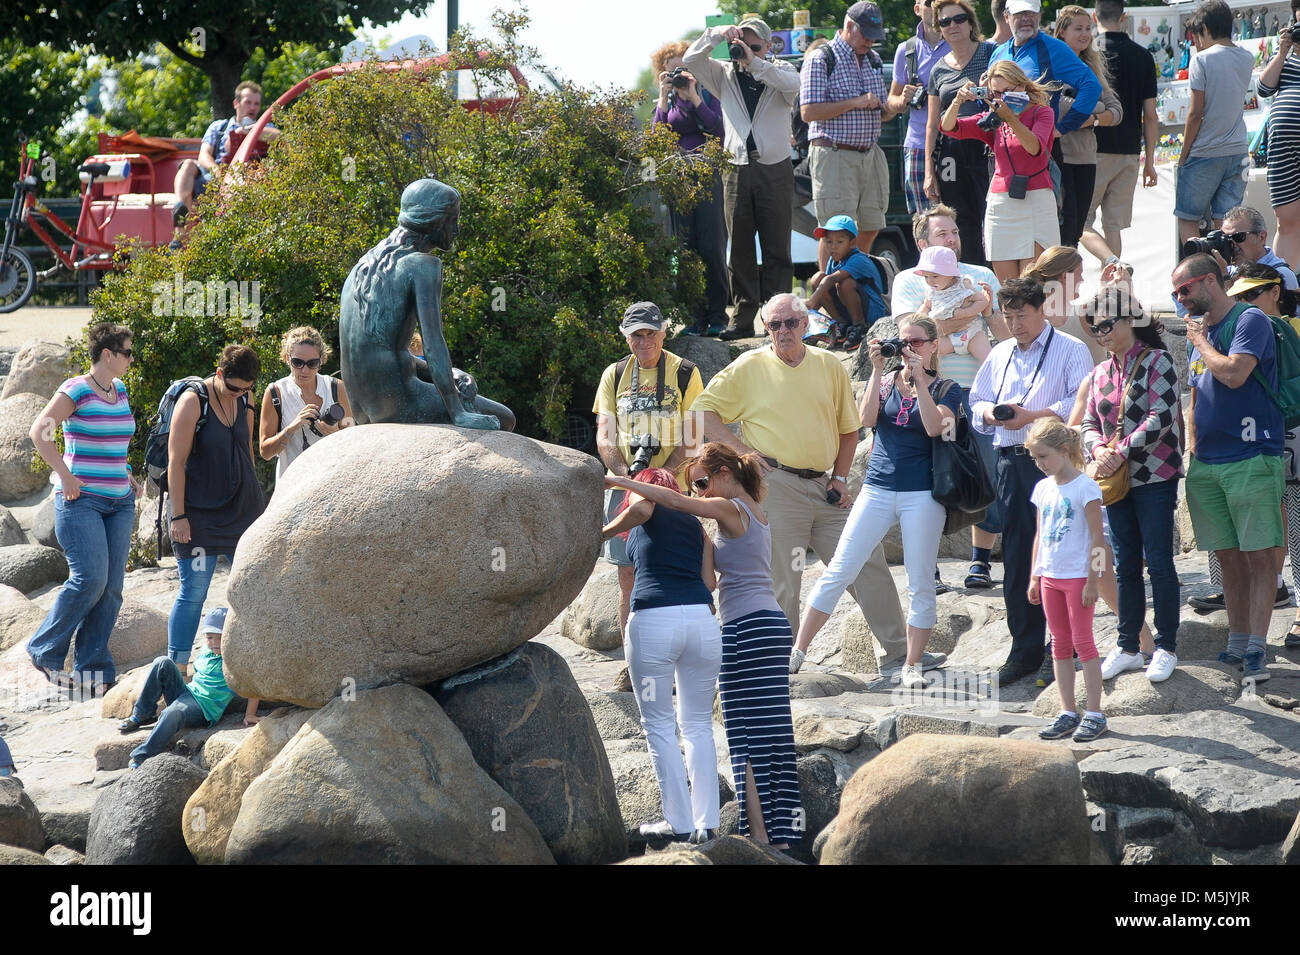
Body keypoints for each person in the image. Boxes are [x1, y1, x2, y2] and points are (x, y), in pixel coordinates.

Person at [691, 293, 936, 676]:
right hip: (776, 484)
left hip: (824, 486)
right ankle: (778, 667)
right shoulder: (749, 365)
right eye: (774, 325)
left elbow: (849, 429)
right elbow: (702, 410)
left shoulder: (827, 364)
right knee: (784, 577)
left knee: (867, 562)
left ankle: (901, 655)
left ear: (807, 324)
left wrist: (839, 478)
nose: (783, 331)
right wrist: (743, 453)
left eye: (790, 322)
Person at [605, 444, 801, 849]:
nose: (697, 493)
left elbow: (670, 501)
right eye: (694, 486)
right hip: (768, 625)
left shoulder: (732, 509)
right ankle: (775, 834)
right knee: (773, 733)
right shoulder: (752, 514)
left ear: (726, 473)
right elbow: (710, 582)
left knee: (744, 732)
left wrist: (623, 481)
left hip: (745, 628)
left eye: (701, 483)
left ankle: (756, 835)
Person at [793, 316, 961, 688]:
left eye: (917, 342)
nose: (909, 349)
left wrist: (919, 379)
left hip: (922, 494)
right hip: (877, 489)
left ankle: (913, 665)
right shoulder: (885, 381)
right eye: (903, 342)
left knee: (920, 581)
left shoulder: (948, 389)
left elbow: (935, 428)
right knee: (839, 568)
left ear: (934, 345)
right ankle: (798, 651)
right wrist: (876, 370)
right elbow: (865, 419)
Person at [969, 278, 1092, 683]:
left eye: (1022, 315)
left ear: (1042, 310)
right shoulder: (1000, 352)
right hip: (1009, 461)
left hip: (1057, 462)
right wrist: (992, 414)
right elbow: (976, 401)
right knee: (1021, 554)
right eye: (1008, 316)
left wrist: (1033, 415)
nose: (1016, 324)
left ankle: (1070, 644)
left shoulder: (1071, 349)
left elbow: (1082, 400)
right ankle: (1023, 649)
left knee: (1064, 551)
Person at [1178, 253, 1284, 685]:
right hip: (1208, 461)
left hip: (1252, 455)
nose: (1180, 299)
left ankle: (1258, 646)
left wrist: (1202, 341)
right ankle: (1238, 641)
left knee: (1260, 555)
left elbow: (1236, 374)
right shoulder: (1194, 335)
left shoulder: (1249, 321)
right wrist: (1191, 448)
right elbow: (1196, 395)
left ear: (1209, 282)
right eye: (1176, 293)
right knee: (1228, 556)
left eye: (1185, 289)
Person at [601, 467, 720, 845]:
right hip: (701, 624)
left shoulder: (643, 506)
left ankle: (680, 826)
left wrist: (599, 534)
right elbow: (710, 582)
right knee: (698, 726)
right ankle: (708, 823)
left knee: (659, 727)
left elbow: (641, 510)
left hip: (654, 623)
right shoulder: (695, 524)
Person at [891, 205, 1007, 589]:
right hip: (933, 390)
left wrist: (982, 313)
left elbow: (1001, 331)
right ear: (922, 243)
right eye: (943, 234)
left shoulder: (982, 275)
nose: (953, 239)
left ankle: (980, 563)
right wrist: (968, 314)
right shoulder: (909, 279)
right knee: (930, 481)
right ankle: (930, 569)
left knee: (985, 473)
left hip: (981, 391)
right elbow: (914, 333)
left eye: (955, 232)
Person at [26, 323, 141, 695]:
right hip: (81, 501)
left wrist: (124, 471)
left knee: (111, 588)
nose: (131, 358)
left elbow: (113, 438)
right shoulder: (76, 389)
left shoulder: (119, 389)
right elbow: (39, 431)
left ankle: (93, 668)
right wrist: (65, 475)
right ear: (107, 354)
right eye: (127, 352)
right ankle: (44, 650)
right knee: (89, 578)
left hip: (120, 501)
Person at [1078, 289, 1184, 683]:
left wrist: (1117, 451)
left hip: (1155, 475)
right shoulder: (1101, 370)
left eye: (1105, 325)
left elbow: (1161, 417)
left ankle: (1167, 645)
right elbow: (1089, 421)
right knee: (1124, 564)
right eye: (1094, 328)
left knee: (1158, 561)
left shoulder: (1158, 360)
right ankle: (1128, 646)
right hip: (1116, 480)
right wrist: (1096, 450)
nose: (1100, 333)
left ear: (1128, 321)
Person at [1192, 263, 1300, 626]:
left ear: (1276, 291)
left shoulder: (1283, 324)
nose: (1245, 300)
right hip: (1241, 444)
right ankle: (1250, 595)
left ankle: (1295, 606)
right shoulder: (1227, 325)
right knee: (1252, 532)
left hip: (1284, 431)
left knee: (1294, 523)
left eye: (1252, 293)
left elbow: (1236, 375)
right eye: (1239, 294)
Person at [685, 18, 800, 341]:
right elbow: (692, 59)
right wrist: (717, 35)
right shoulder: (723, 73)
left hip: (774, 168)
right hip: (735, 168)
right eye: (741, 44)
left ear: (766, 46)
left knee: (778, 247)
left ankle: (782, 318)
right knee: (740, 250)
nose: (745, 51)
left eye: (754, 45)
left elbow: (795, 86)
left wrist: (755, 62)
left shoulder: (781, 72)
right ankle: (743, 318)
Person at [594, 303, 704, 637]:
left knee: (677, 569)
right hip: (624, 486)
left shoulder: (685, 372)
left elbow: (694, 436)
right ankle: (633, 656)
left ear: (664, 333)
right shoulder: (614, 375)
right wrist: (627, 475)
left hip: (673, 490)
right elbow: (604, 435)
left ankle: (675, 648)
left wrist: (663, 477)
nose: (645, 342)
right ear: (626, 338)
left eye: (651, 334)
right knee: (627, 577)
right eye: (637, 335)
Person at [166, 345, 266, 665]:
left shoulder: (245, 397)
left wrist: (257, 501)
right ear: (219, 373)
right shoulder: (193, 401)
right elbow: (175, 463)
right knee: (194, 594)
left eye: (248, 389)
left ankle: (246, 665)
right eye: (234, 387)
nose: (240, 394)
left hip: (242, 511)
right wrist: (178, 516)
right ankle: (178, 669)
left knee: (251, 590)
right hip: (198, 515)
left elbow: (245, 448)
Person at [1026, 420, 1109, 742]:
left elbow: (1097, 538)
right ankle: (1067, 709)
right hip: (1050, 577)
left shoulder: (1085, 487)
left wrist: (1093, 580)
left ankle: (1095, 712)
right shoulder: (1042, 488)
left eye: (1043, 457)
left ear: (1063, 451)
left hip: (1077, 578)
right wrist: (1035, 574)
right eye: (1035, 458)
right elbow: (1039, 536)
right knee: (1059, 644)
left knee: (1083, 642)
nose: (1039, 464)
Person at [941, 61, 1059, 282]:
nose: (1002, 97)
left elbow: (1035, 148)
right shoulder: (993, 119)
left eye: (1008, 91)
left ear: (1022, 85)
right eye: (996, 93)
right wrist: (958, 100)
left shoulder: (1042, 113)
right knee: (1008, 286)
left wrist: (1011, 118)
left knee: (1033, 283)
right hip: (1001, 203)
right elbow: (949, 128)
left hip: (1036, 201)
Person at [800, 2, 898, 265]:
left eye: (875, 36)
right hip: (834, 153)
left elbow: (880, 112)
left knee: (871, 224)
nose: (871, 41)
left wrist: (892, 107)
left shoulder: (874, 60)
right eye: (866, 34)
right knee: (834, 231)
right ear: (849, 26)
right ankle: (829, 292)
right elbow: (808, 112)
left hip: (870, 152)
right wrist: (855, 102)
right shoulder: (821, 58)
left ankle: (854, 280)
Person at [652, 41, 730, 337]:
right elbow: (656, 137)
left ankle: (717, 315)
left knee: (712, 247)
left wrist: (694, 96)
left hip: (707, 174)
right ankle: (694, 317)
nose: (679, 76)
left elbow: (719, 130)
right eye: (672, 71)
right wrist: (663, 95)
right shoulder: (667, 101)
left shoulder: (707, 93)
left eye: (683, 68)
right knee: (686, 251)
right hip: (679, 178)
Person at [118, 608, 260, 769]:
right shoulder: (208, 651)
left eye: (220, 638)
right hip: (187, 693)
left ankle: (143, 755)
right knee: (162, 662)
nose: (214, 643)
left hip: (204, 708)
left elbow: (251, 684)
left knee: (172, 712)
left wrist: (250, 714)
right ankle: (142, 713)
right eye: (210, 637)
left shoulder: (233, 658)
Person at [1083, 0, 1159, 264]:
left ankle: (1112, 265)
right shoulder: (1143, 55)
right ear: (1124, 17)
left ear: (1094, 16)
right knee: (1113, 226)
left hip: (1091, 149)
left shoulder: (1088, 52)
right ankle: (1116, 282)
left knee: (1080, 221)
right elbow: (1150, 115)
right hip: (1129, 151)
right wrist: (1149, 162)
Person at [1175, 0, 1255, 247]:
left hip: (1205, 151)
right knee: (1227, 223)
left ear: (1205, 29)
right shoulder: (1247, 57)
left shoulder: (1201, 60)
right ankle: (1228, 273)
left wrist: (1183, 154)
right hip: (1237, 149)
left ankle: (1199, 272)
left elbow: (1196, 113)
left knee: (1188, 218)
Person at [924, 0, 996, 268]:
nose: (952, 25)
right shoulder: (938, 69)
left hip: (987, 145)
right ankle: (972, 280)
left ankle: (998, 282)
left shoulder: (992, 53)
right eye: (945, 21)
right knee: (960, 221)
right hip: (951, 152)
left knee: (992, 215)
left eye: (958, 19)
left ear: (970, 22)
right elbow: (932, 125)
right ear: (938, 28)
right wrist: (929, 170)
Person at [990, 0, 1103, 164]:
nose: (1026, 19)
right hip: (1004, 146)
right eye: (1020, 14)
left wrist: (1064, 126)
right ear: (1006, 16)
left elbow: (1091, 86)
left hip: (1041, 148)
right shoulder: (999, 52)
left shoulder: (1053, 48)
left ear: (1040, 15)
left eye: (1031, 13)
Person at [1051, 5, 1124, 252]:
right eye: (1078, 28)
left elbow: (1116, 111)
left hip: (1086, 158)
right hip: (1059, 156)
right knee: (1063, 228)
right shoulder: (1051, 64)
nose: (1085, 34)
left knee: (1077, 229)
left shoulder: (1091, 65)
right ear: (1062, 32)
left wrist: (1091, 119)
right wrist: (1094, 106)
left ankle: (1071, 286)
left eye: (1088, 28)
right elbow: (1058, 105)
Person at [172, 81, 279, 228]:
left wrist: (252, 130)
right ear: (236, 103)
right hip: (215, 175)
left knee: (248, 173)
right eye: (248, 102)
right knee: (187, 165)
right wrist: (217, 172)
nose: (253, 108)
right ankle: (179, 217)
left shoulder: (265, 127)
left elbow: (280, 137)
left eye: (256, 104)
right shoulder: (219, 126)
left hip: (248, 177)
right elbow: (203, 155)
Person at [259, 326, 355, 481]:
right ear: (287, 358)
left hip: (332, 481)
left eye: (312, 363)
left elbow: (353, 440)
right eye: (297, 362)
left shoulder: (336, 388)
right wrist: (292, 427)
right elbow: (265, 452)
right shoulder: (276, 393)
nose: (305, 370)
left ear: (321, 360)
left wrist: (335, 433)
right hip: (293, 486)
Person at [888, 0, 951, 214]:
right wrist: (903, 98)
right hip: (916, 144)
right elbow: (891, 103)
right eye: (928, 3)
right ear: (917, 9)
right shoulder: (906, 50)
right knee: (923, 219)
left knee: (959, 215)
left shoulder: (960, 43)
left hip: (955, 141)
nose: (934, 7)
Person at [1257, 1, 1300, 276]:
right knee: (1286, 221)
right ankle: (1286, 287)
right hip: (1283, 143)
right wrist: (1283, 51)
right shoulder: (1284, 46)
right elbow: (1263, 88)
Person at [805, 214, 886, 350]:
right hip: (849, 309)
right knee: (818, 278)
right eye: (829, 242)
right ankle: (841, 325)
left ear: (852, 243)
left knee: (845, 284)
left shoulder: (858, 259)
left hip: (872, 313)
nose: (833, 247)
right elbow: (825, 286)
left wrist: (811, 302)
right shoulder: (834, 260)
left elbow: (831, 279)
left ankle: (860, 328)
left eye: (839, 242)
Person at [1023, 245, 1108, 363]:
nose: (1082, 280)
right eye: (1080, 273)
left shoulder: (1027, 318)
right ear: (1064, 277)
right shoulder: (1084, 313)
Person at [913, 244, 993, 363]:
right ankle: (923, 377)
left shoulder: (963, 285)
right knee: (926, 351)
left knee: (988, 360)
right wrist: (917, 319)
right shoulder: (932, 291)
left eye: (935, 276)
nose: (930, 281)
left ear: (951, 274)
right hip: (947, 338)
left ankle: (994, 378)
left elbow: (982, 301)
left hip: (971, 333)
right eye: (926, 277)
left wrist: (965, 312)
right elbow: (926, 306)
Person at [1220, 205, 1299, 296]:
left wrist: (1225, 278)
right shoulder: (1226, 269)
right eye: (1226, 239)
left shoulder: (1281, 275)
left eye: (1238, 237)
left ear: (1261, 237)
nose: (1232, 244)